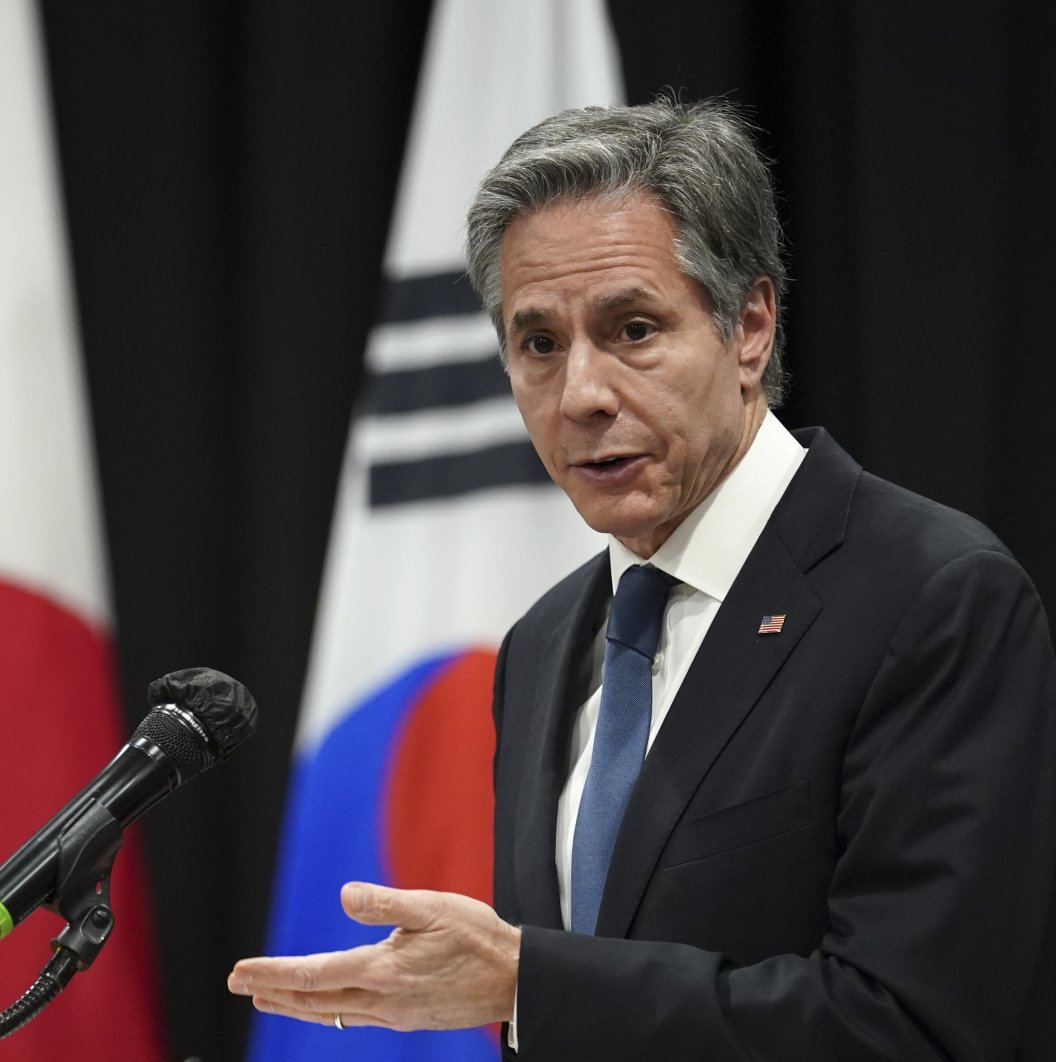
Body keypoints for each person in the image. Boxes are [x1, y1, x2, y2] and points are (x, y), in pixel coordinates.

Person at [228, 98, 1056, 1060]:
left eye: (631, 328)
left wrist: (529, 986)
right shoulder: (542, 646)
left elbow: (918, 1026)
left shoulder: (934, 599)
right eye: (539, 344)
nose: (580, 394)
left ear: (749, 326)